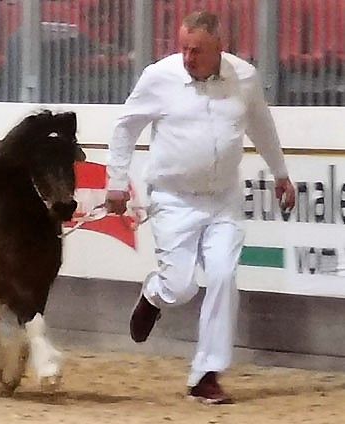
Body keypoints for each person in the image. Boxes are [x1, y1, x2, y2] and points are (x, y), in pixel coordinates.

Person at [105, 11, 295, 404]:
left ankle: (205, 375)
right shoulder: (159, 76)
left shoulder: (244, 77)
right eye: (184, 48)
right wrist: (117, 182)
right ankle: (155, 295)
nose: (188, 57)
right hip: (173, 199)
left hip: (223, 199)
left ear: (218, 48)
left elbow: (261, 124)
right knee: (180, 288)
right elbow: (125, 127)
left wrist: (281, 174)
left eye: (197, 50)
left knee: (224, 275)